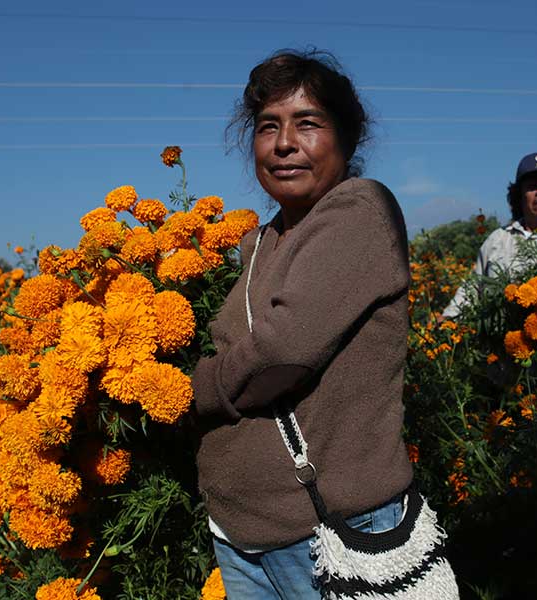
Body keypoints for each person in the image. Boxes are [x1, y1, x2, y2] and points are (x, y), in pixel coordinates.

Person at [191, 49, 414, 598]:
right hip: (241, 533)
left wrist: (181, 394)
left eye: (307, 124)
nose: (284, 143)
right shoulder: (260, 242)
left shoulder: (359, 210)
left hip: (328, 534)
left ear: (348, 137)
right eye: (268, 127)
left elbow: (281, 353)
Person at [440, 151, 537, 320]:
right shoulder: (497, 239)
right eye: (532, 186)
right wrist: (447, 320)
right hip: (497, 342)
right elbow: (472, 289)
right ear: (519, 195)